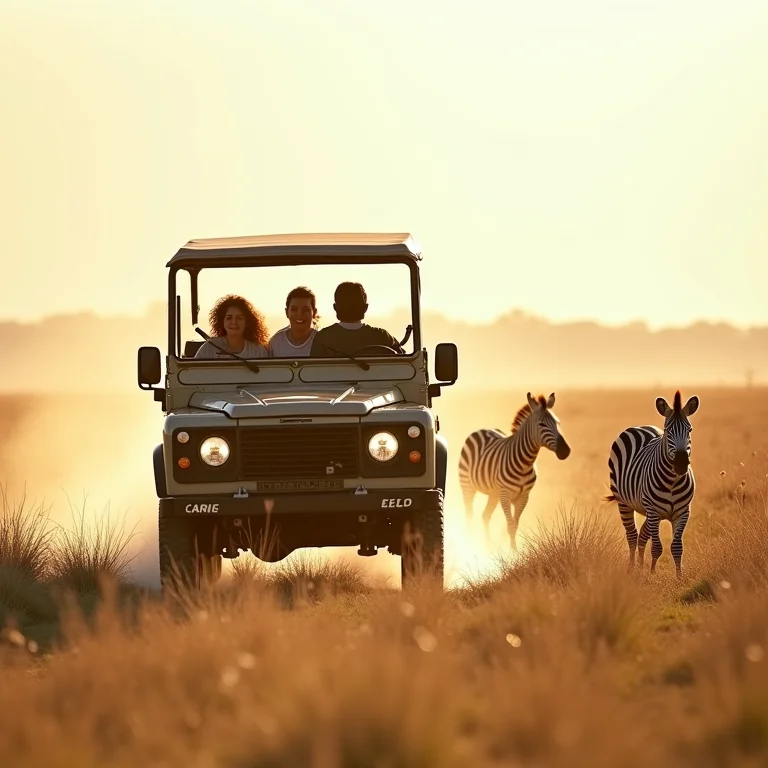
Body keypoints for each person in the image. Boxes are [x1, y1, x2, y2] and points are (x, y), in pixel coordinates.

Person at [309, 281, 403, 358]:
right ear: (365, 308)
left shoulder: (323, 338)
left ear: (335, 307)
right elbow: (403, 362)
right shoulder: (383, 337)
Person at [194, 294, 270, 359]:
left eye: (239, 318)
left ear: (247, 322)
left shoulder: (259, 351)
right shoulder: (208, 349)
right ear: (222, 321)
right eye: (229, 318)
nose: (234, 322)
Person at [268, 286, 319, 357]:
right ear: (286, 312)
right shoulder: (275, 343)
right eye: (294, 309)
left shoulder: (322, 342)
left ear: (314, 313)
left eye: (306, 309)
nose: (300, 314)